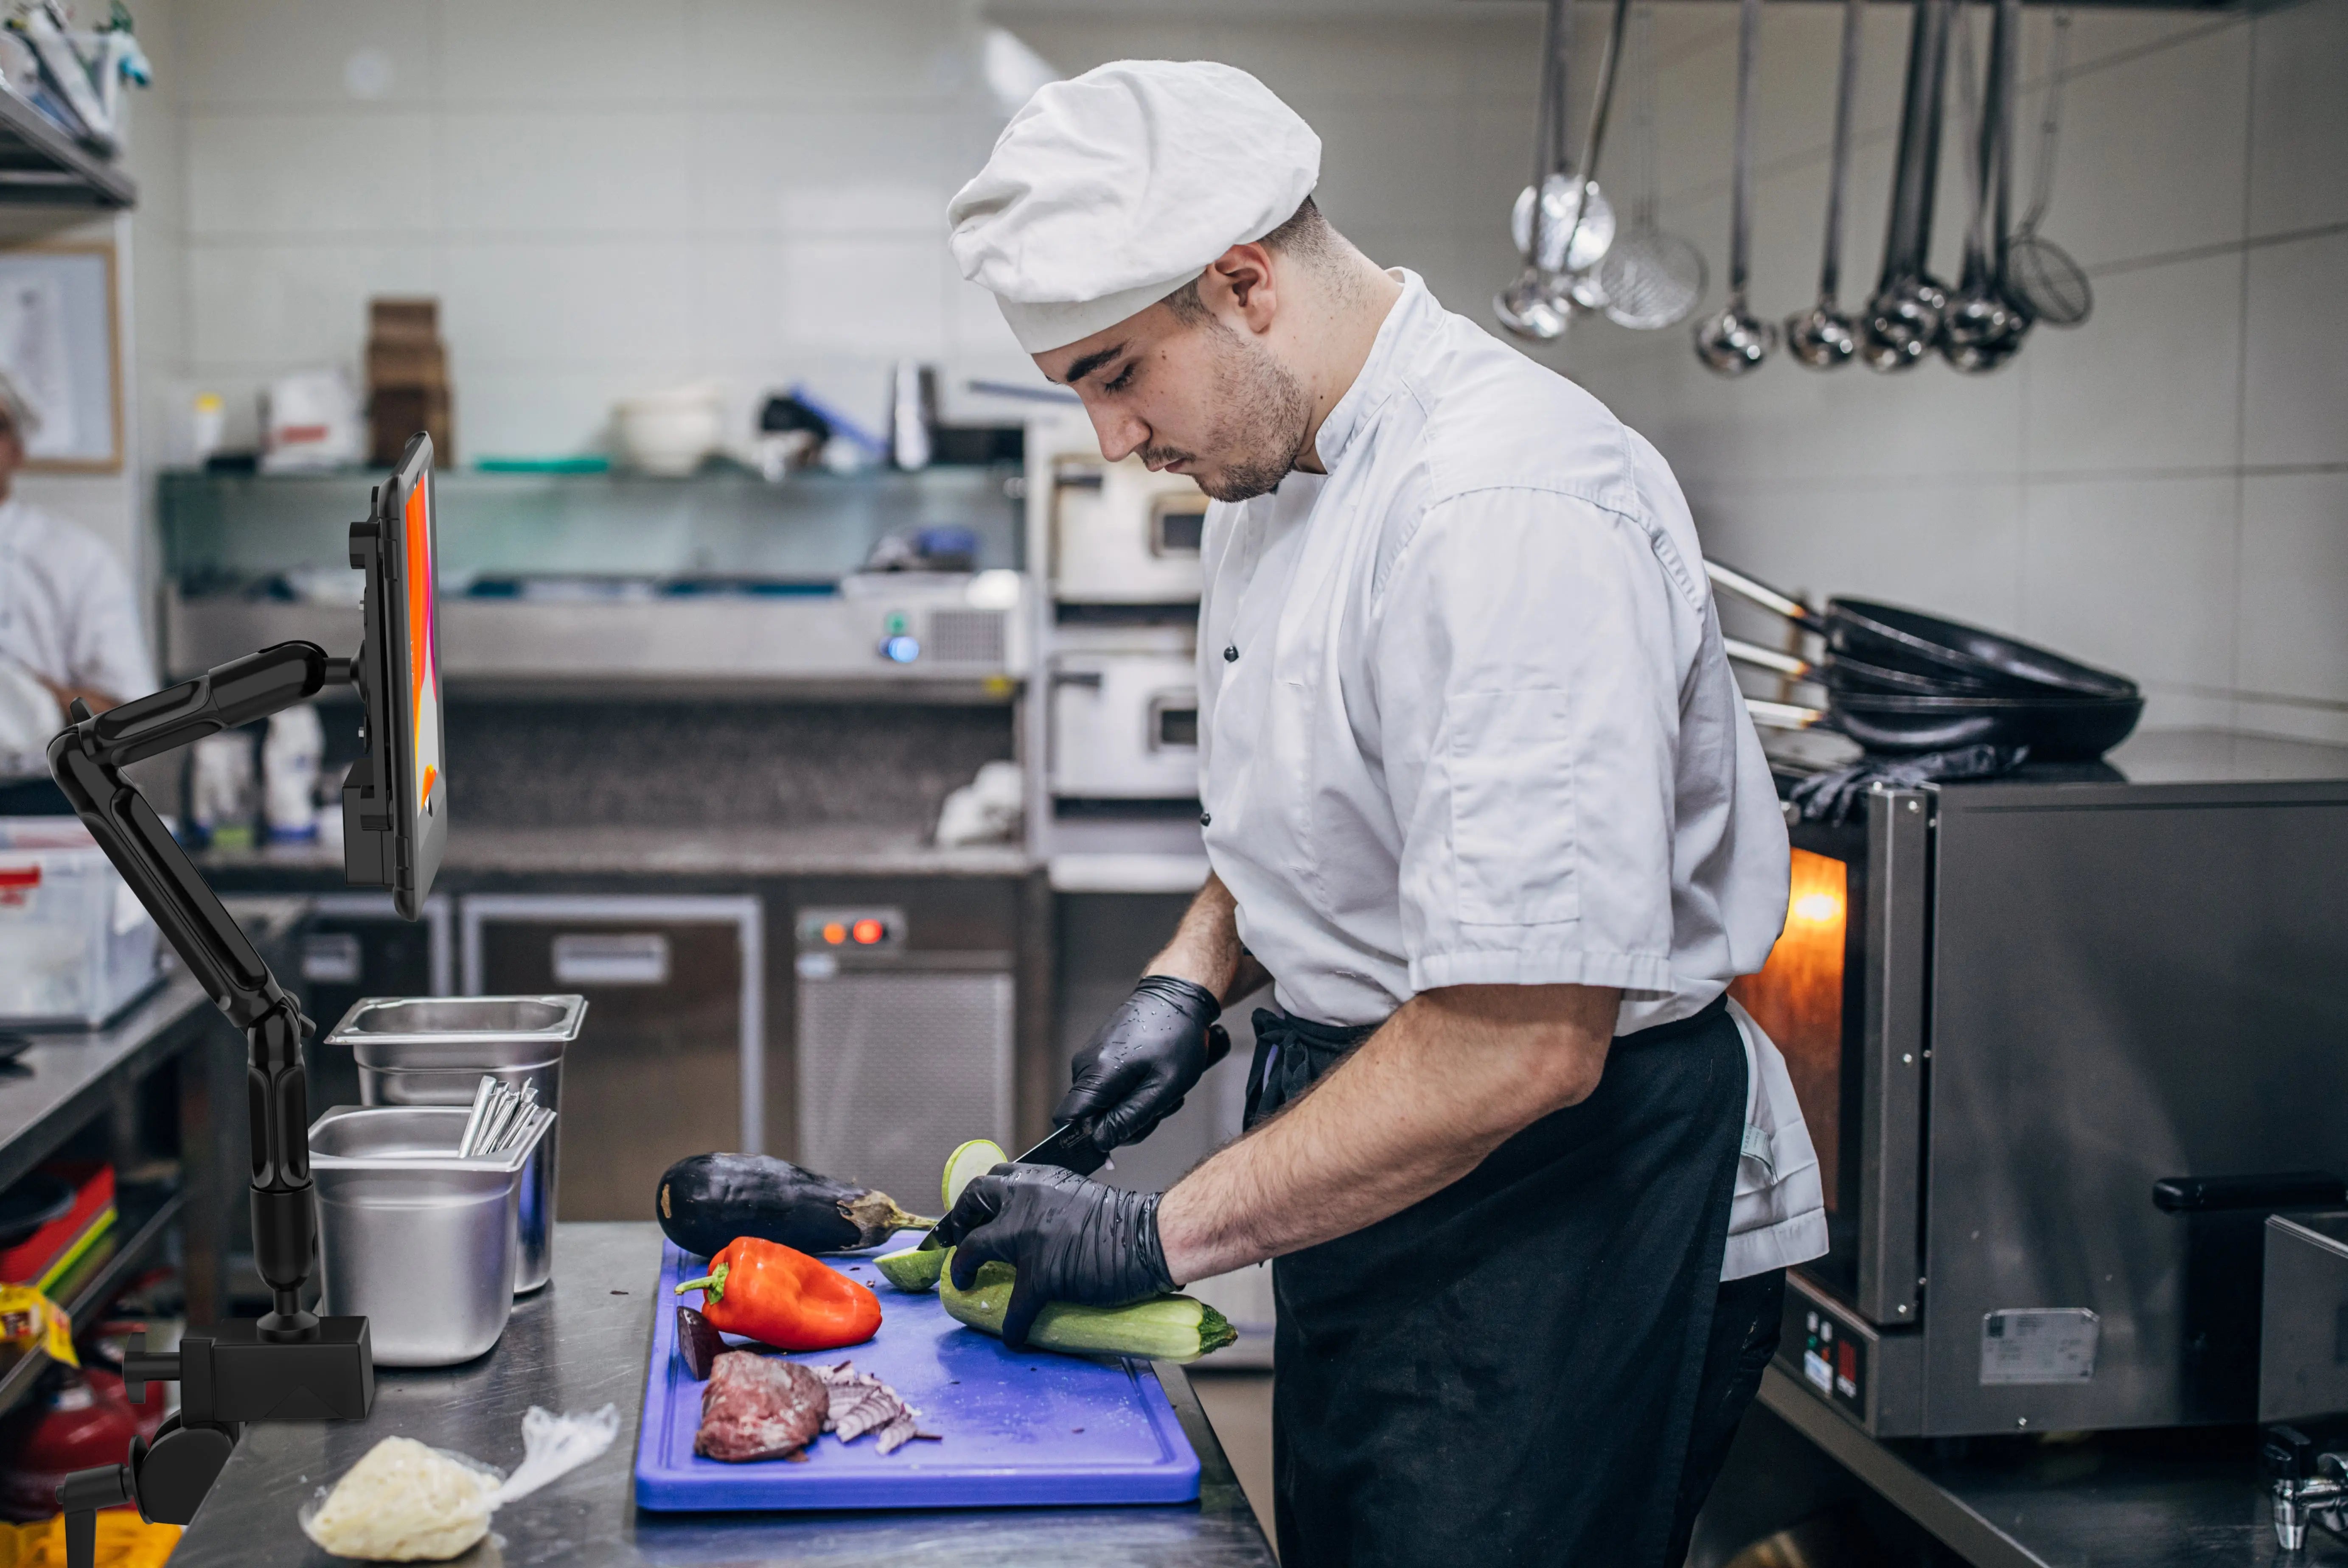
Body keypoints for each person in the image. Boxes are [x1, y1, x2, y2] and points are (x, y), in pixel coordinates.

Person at [934, 61, 1827, 1568]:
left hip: (1571, 1198)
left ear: (1243, 283)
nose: (1110, 440)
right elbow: (1321, 803)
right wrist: (1192, 979)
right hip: (1383, 1156)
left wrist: (1150, 1236)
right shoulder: (1279, 467)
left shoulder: (1506, 509)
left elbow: (1522, 1038)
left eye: (1113, 374)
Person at [0, 370, 155, 813]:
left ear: (17, 449)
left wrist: (32, 698)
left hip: (46, 802)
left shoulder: (75, 559)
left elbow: (133, 722)